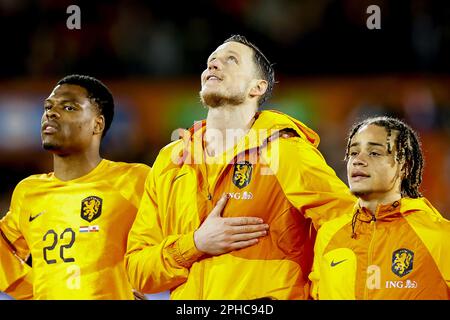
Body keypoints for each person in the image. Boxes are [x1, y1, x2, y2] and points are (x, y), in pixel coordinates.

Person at [125, 35, 356, 299]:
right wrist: (196, 243)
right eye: (210, 62)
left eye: (230, 60)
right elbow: (138, 270)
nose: (213, 65)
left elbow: (347, 228)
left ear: (256, 87)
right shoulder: (170, 160)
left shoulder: (284, 151)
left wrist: (320, 294)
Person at [0, 74, 150, 299]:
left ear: (97, 124)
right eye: (48, 106)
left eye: (69, 107)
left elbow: (169, 240)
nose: (51, 113)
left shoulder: (134, 179)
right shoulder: (28, 191)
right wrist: (39, 291)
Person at [309, 116, 450, 300]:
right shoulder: (328, 234)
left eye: (374, 153)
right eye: (353, 153)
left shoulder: (440, 237)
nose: (358, 160)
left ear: (404, 166)